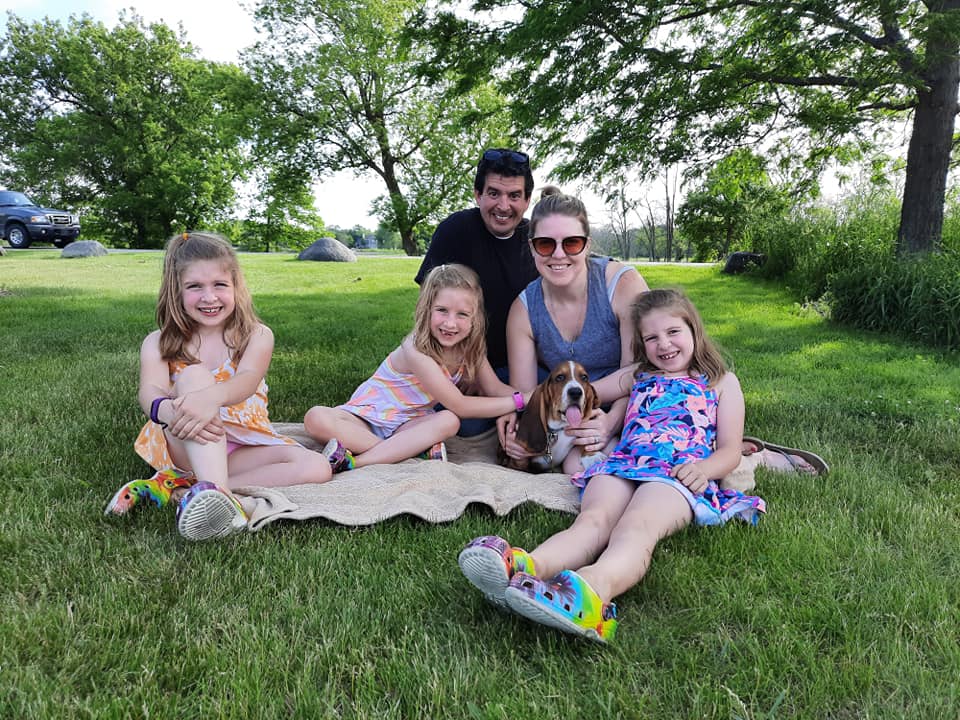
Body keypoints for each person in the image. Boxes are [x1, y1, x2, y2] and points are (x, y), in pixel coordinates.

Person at [459, 288, 766, 643]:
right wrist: (517, 411)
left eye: (673, 332)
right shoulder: (637, 375)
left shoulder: (721, 382)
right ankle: (525, 569)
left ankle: (591, 591)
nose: (663, 345)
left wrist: (705, 470)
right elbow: (581, 392)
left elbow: (730, 451)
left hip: (677, 474)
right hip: (623, 464)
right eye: (651, 338)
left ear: (694, 330)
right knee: (592, 521)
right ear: (641, 344)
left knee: (635, 528)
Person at [104, 232, 331, 541]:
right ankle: (224, 502)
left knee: (318, 467)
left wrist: (211, 399)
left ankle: (185, 490)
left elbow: (247, 380)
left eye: (220, 285)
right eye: (195, 286)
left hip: (243, 442)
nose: (209, 297)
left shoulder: (256, 335)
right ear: (176, 291)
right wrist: (169, 410)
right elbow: (149, 391)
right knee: (194, 376)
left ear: (236, 287)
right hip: (187, 438)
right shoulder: (158, 341)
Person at [304, 264, 531, 471]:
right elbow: (459, 404)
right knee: (315, 418)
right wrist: (519, 401)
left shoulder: (471, 350)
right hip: (366, 420)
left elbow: (495, 388)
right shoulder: (415, 349)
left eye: (462, 314)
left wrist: (533, 398)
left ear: (475, 319)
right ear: (427, 309)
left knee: (449, 421)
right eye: (442, 310)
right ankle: (405, 452)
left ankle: (358, 461)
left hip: (410, 425)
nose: (450, 323)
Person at [499, 189, 650, 473]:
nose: (558, 254)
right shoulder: (523, 309)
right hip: (567, 408)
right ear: (532, 247)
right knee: (574, 467)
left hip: (628, 400)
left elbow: (639, 371)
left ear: (587, 245)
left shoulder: (621, 283)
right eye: (545, 244)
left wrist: (612, 420)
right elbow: (527, 395)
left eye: (572, 243)